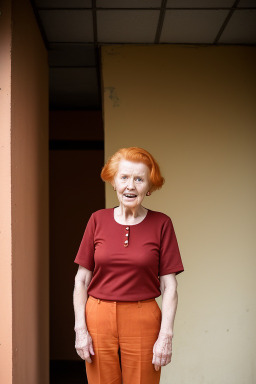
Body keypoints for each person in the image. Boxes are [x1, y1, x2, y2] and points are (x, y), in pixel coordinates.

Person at [73, 147, 184, 384]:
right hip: (98, 315)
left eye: (139, 179)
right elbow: (81, 279)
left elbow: (170, 286)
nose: (130, 186)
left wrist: (166, 334)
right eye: (123, 177)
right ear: (113, 181)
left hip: (143, 315)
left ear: (149, 186)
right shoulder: (97, 220)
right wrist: (80, 329)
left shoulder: (161, 223)